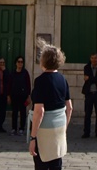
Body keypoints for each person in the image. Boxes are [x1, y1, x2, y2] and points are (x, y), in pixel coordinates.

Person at [28, 42, 72, 170]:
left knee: (41, 164)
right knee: (56, 164)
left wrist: (33, 137)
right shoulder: (63, 79)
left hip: (44, 130)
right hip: (59, 127)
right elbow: (69, 107)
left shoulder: (40, 81)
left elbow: (39, 111)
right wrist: (64, 128)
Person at [81, 52, 97, 138]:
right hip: (89, 94)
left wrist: (90, 78)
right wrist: (96, 80)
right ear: (90, 59)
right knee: (87, 113)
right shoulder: (86, 67)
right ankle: (86, 132)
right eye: (92, 58)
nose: (94, 60)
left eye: (95, 58)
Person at [9, 56, 32, 136]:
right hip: (14, 95)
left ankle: (22, 128)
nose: (20, 63)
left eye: (21, 62)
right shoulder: (12, 73)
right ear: (16, 63)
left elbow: (28, 85)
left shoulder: (25, 73)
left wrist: (29, 96)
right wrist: (8, 96)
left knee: (23, 112)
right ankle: (14, 128)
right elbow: (9, 84)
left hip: (23, 96)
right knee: (14, 112)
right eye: (18, 62)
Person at [0, 56, 9, 133]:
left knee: (2, 111)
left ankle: (0, 126)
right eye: (0, 63)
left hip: (3, 93)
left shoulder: (6, 71)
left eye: (3, 63)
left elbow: (8, 80)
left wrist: (5, 71)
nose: (2, 64)